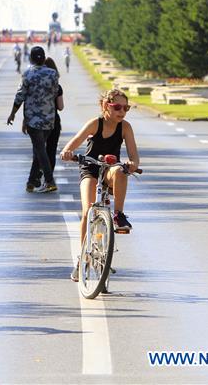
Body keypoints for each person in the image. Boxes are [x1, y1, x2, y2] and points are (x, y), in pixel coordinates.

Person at [60, 88, 140, 281]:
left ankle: (118, 215)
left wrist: (132, 164)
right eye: (117, 107)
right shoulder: (95, 123)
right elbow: (73, 143)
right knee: (88, 211)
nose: (122, 111)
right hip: (91, 169)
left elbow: (134, 156)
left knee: (121, 171)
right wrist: (67, 152)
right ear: (106, 106)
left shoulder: (126, 128)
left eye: (126, 108)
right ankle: (82, 259)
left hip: (110, 169)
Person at [7, 46, 59, 194]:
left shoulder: (27, 74)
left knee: (40, 149)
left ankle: (49, 180)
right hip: (49, 118)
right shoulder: (53, 74)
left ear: (30, 58)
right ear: (43, 58)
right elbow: (55, 92)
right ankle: (30, 182)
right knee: (39, 149)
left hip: (33, 119)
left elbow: (20, 96)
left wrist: (13, 114)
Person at [42, 58, 65, 175]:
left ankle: (38, 173)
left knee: (40, 149)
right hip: (54, 121)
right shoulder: (57, 87)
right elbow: (60, 107)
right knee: (51, 149)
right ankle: (49, 176)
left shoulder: (37, 87)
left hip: (39, 122)